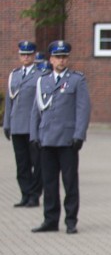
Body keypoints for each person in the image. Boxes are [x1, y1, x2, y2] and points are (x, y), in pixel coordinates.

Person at [29, 40, 91, 234]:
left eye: (64, 57)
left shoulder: (76, 80)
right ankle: (50, 220)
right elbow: (35, 111)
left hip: (67, 139)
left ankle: (71, 220)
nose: (61, 60)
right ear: (51, 59)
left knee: (70, 181)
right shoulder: (43, 81)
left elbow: (83, 109)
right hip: (46, 138)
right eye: (57, 57)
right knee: (49, 182)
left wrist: (79, 135)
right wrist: (34, 135)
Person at [4, 41, 43, 208]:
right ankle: (25, 194)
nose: (25, 57)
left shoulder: (40, 75)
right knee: (22, 164)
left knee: (37, 163)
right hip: (17, 126)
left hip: (33, 127)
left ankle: (35, 195)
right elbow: (9, 102)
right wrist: (7, 124)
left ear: (33, 56)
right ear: (19, 56)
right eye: (23, 54)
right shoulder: (14, 75)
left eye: (28, 54)